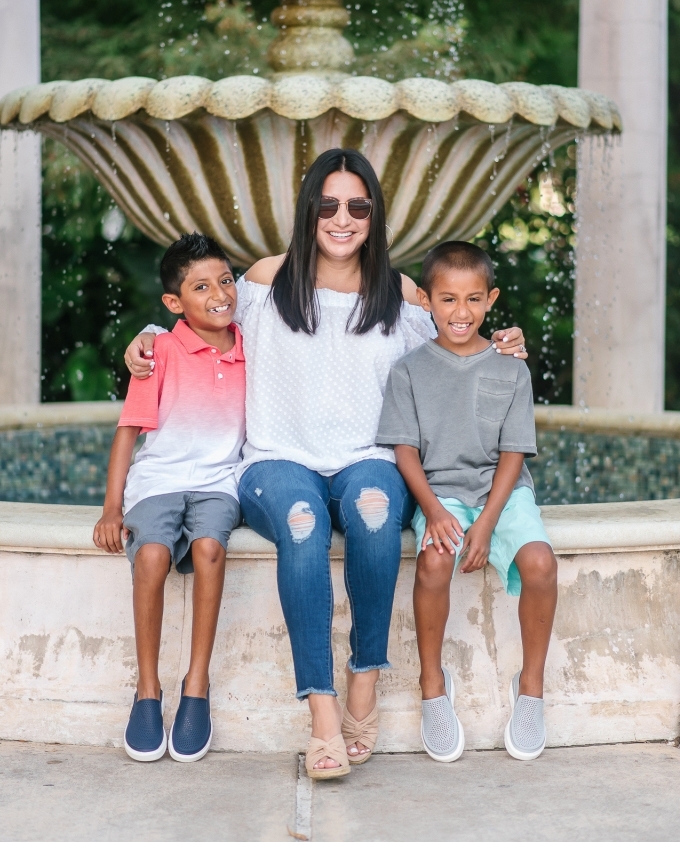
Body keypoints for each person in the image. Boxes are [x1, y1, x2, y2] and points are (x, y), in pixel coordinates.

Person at [124, 150, 527, 779]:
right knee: (305, 523)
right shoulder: (262, 281)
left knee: (371, 515)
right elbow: (203, 320)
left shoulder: (400, 293)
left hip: (367, 458)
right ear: (309, 207)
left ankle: (363, 678)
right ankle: (321, 709)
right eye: (329, 203)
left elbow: (459, 344)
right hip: (275, 461)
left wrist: (507, 344)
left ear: (375, 214)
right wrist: (147, 335)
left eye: (358, 205)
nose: (343, 218)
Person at [376, 240, 557, 763]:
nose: (461, 312)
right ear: (427, 302)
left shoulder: (509, 367)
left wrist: (488, 523)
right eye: (448, 300)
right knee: (433, 561)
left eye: (474, 299)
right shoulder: (409, 369)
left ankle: (532, 688)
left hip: (502, 492)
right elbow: (404, 450)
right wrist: (433, 510)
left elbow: (514, 452)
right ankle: (433, 686)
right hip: (441, 494)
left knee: (541, 563)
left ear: (491, 299)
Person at [94, 233, 244, 763]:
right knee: (152, 556)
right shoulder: (159, 350)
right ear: (175, 303)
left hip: (219, 481)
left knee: (209, 549)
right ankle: (148, 690)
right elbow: (128, 431)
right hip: (157, 480)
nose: (219, 294)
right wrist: (112, 507)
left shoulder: (250, 345)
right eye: (201, 287)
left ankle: (196, 685)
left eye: (226, 281)